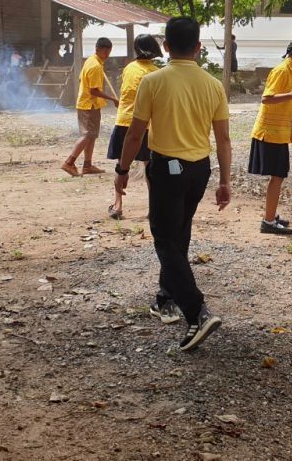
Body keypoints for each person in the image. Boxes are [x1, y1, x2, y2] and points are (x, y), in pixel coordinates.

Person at [114, 17, 231, 351]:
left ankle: (197, 311)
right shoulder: (213, 85)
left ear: (166, 46)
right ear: (198, 47)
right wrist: (225, 181)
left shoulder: (153, 81)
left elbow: (135, 134)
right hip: (200, 171)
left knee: (165, 240)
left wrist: (122, 169)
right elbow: (223, 139)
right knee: (179, 234)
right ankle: (165, 297)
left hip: (167, 170)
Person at [249, 38, 292, 235]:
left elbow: (288, 107)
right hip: (269, 133)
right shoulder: (282, 71)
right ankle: (268, 221)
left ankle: (271, 216)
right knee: (277, 176)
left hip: (279, 133)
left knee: (278, 176)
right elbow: (266, 99)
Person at [106, 34, 162, 220]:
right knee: (150, 167)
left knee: (121, 165)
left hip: (124, 120)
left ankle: (117, 205)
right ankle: (154, 208)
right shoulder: (156, 72)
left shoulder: (129, 68)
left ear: (136, 49)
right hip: (146, 124)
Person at [62, 38, 118, 177]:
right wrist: (113, 99)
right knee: (87, 135)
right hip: (89, 105)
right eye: (104, 51)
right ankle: (69, 162)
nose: (107, 54)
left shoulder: (91, 60)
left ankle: (87, 166)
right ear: (97, 49)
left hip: (89, 104)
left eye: (109, 51)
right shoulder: (95, 66)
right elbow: (94, 91)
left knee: (91, 136)